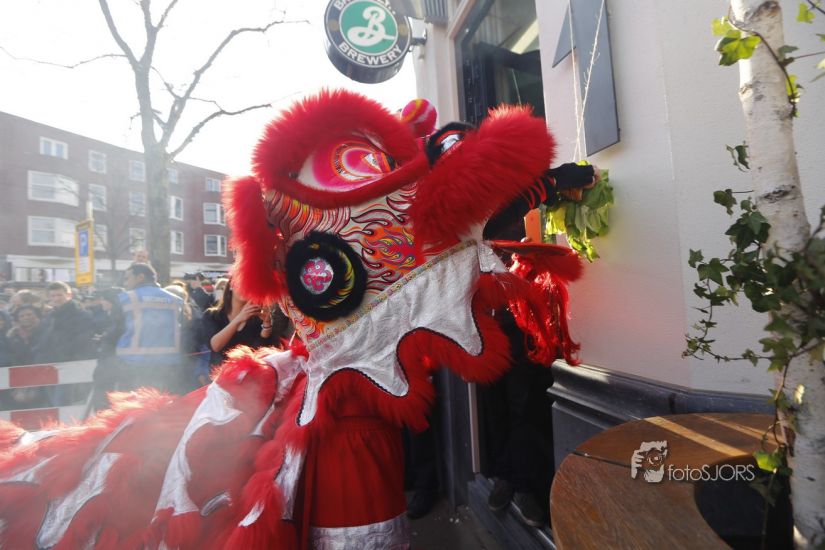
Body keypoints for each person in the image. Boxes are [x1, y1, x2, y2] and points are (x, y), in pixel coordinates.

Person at [199, 278, 288, 385]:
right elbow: (215, 345)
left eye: (250, 287)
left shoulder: (256, 318)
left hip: (249, 382)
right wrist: (240, 318)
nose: (246, 289)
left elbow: (260, 351)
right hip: (219, 380)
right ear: (231, 286)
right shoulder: (213, 315)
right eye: (242, 285)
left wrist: (266, 324)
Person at [116, 263, 185, 393]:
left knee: (133, 403)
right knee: (161, 403)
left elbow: (116, 330)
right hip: (167, 364)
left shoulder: (126, 298)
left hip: (133, 364)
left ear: (140, 277)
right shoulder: (176, 300)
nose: (125, 283)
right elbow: (184, 331)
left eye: (127, 278)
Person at [37, 281, 95, 363]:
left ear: (69, 295)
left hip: (73, 362)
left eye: (59, 295)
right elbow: (44, 340)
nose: (56, 299)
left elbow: (83, 341)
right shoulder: (50, 317)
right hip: (52, 362)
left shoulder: (81, 315)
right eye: (53, 296)